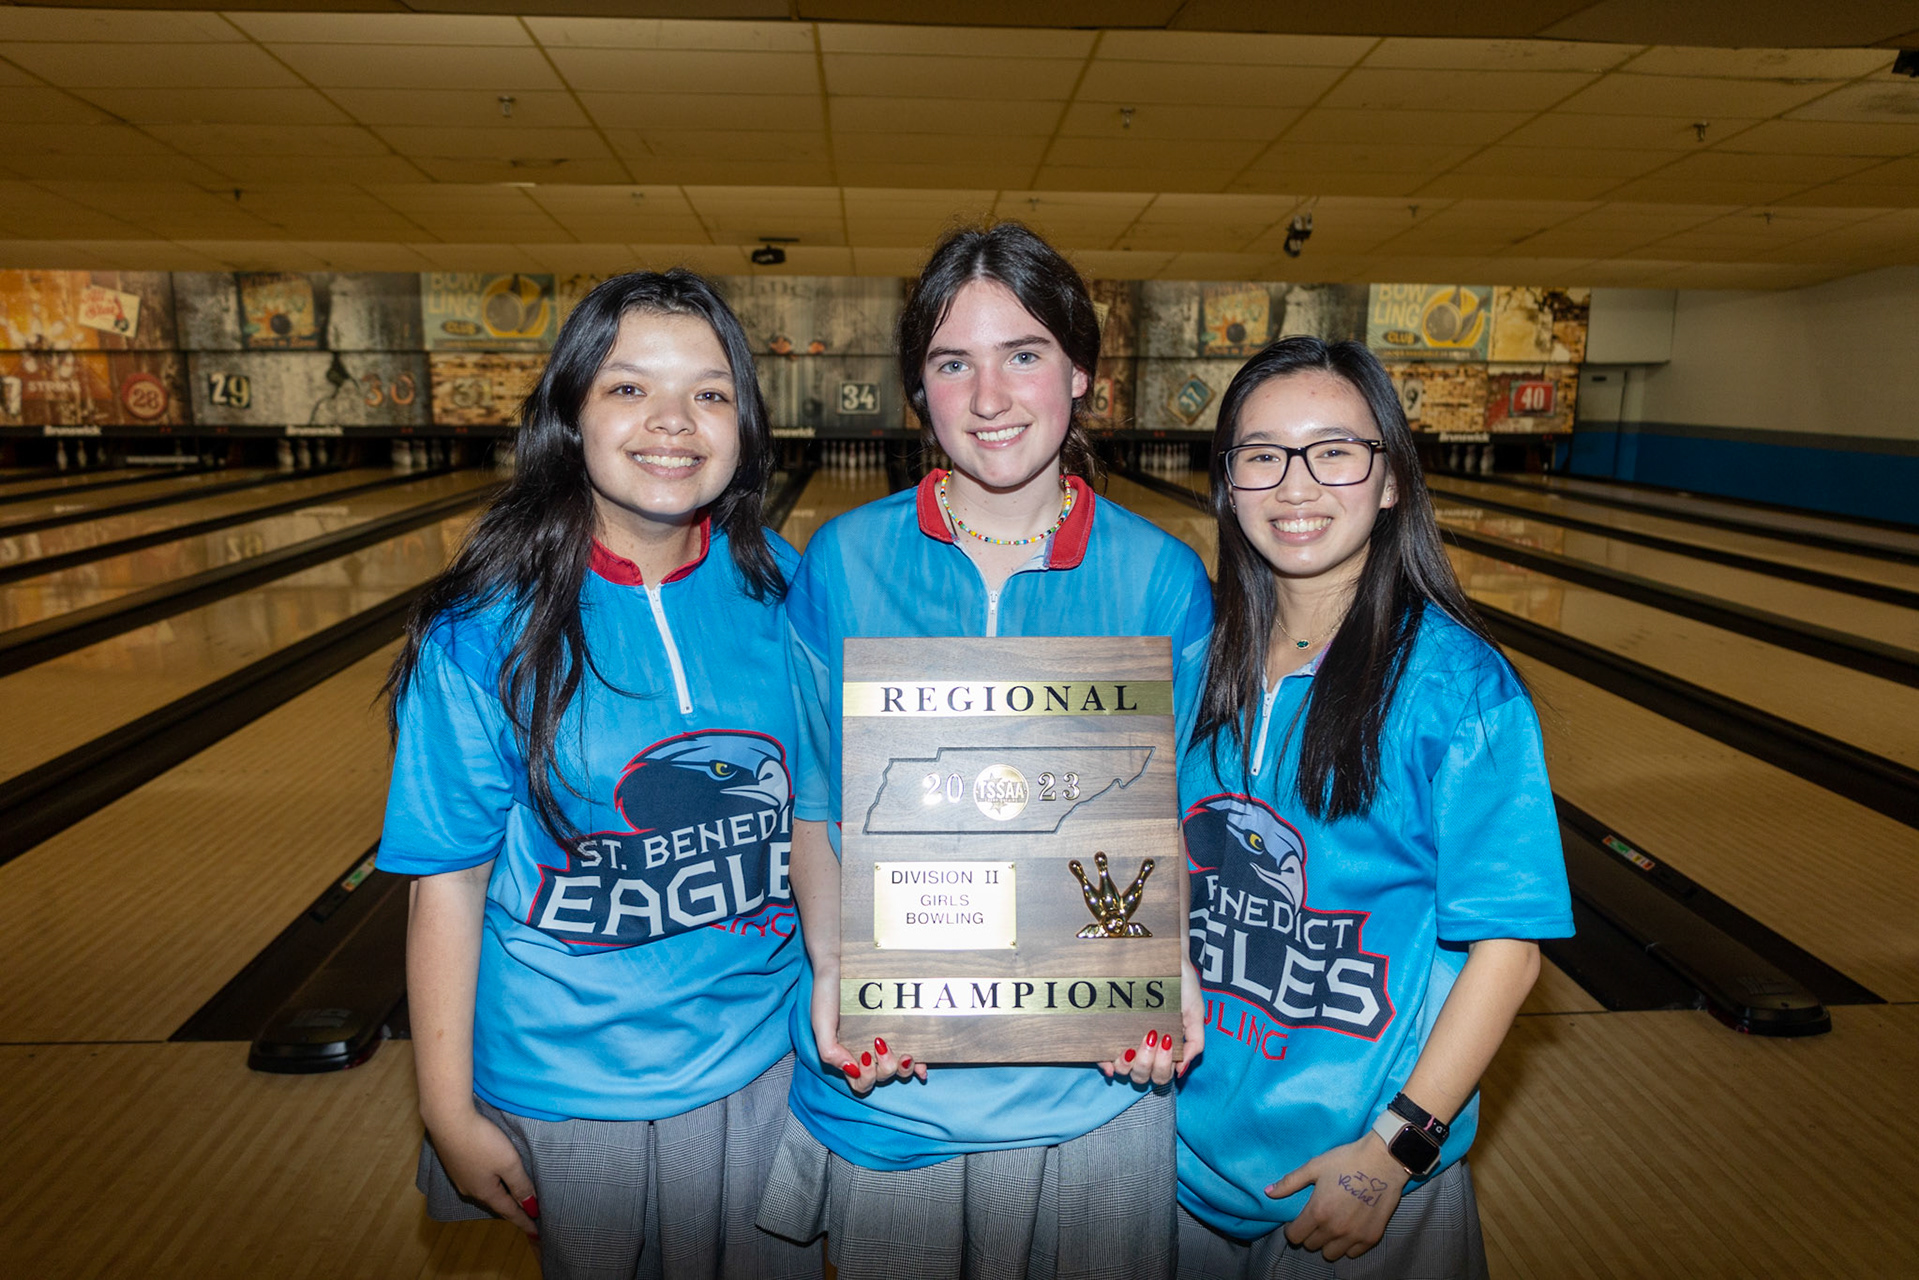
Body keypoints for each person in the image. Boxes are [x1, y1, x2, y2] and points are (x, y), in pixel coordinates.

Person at [754, 222, 1214, 1279]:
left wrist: (1165, 971)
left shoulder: (1159, 579)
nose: (990, 395)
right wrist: (835, 971)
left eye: (1025, 353)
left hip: (1095, 1091)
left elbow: (1176, 824)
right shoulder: (846, 561)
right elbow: (816, 809)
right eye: (953, 362)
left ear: (1081, 370)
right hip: (895, 1086)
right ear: (920, 388)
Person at [376, 270, 816, 1280]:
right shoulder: (480, 633)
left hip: (767, 1061)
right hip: (573, 1082)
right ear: (570, 411)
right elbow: (448, 878)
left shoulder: (790, 590)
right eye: (628, 388)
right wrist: (446, 1106)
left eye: (709, 392)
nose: (674, 421)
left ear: (744, 420)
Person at [1173, 336, 1574, 1279]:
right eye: (1262, 454)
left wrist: (1395, 1150)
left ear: (1390, 479)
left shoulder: (1459, 690)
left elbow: (1510, 954)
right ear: (1230, 483)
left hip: (1359, 1175)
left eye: (1335, 450)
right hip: (1179, 1158)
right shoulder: (1196, 661)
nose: (1296, 485)